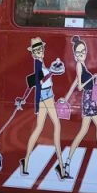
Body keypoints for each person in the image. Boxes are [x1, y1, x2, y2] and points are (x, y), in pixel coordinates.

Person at [62, 36, 97, 183]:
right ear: (74, 54)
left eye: (83, 51)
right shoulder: (79, 65)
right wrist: (93, 78)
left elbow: (74, 82)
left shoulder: (82, 65)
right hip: (88, 99)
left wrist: (66, 98)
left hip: (89, 99)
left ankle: (66, 165)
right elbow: (80, 86)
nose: (81, 54)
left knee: (84, 131)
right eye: (78, 53)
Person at [19, 37, 67, 179]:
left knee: (39, 128)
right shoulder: (37, 64)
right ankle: (61, 166)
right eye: (37, 50)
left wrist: (52, 69)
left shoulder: (41, 63)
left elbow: (45, 77)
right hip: (46, 96)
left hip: (47, 94)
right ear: (33, 53)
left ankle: (26, 161)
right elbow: (40, 81)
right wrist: (52, 71)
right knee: (56, 126)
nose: (40, 52)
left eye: (41, 49)